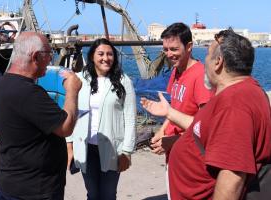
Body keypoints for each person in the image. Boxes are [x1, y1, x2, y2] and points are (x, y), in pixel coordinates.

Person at [141, 28, 271, 199]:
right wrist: (169, 113)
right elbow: (203, 129)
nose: (204, 61)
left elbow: (232, 178)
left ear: (218, 62)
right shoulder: (242, 92)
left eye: (208, 55)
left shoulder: (234, 106)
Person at [0, 32, 82, 200]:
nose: (50, 59)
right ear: (35, 56)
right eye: (49, 54)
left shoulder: (1, 85)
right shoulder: (29, 93)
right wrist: (72, 90)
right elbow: (65, 127)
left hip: (10, 183)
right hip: (34, 189)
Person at [66, 38, 136, 200]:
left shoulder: (123, 81)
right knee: (92, 194)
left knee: (108, 194)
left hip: (112, 148)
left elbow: (130, 118)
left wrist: (126, 151)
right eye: (101, 54)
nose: (106, 58)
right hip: (85, 147)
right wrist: (69, 146)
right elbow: (71, 112)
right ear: (92, 56)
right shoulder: (79, 80)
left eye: (110, 54)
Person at [150, 22, 212, 199]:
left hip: (191, 160)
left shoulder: (200, 75)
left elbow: (205, 127)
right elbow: (174, 109)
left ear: (189, 46)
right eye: (166, 49)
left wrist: (174, 141)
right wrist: (162, 132)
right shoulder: (176, 71)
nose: (169, 55)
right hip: (175, 155)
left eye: (174, 49)